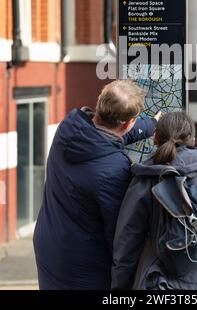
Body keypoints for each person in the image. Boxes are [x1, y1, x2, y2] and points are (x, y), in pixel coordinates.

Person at [33, 80, 159, 290]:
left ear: (99, 103)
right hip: (83, 267)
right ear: (128, 123)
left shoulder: (69, 127)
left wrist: (151, 125)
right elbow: (119, 234)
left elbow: (103, 137)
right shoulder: (114, 169)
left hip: (50, 247)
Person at [112, 111, 197, 290]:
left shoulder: (145, 177)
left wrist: (119, 287)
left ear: (155, 139)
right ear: (193, 140)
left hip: (161, 283)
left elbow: (127, 241)